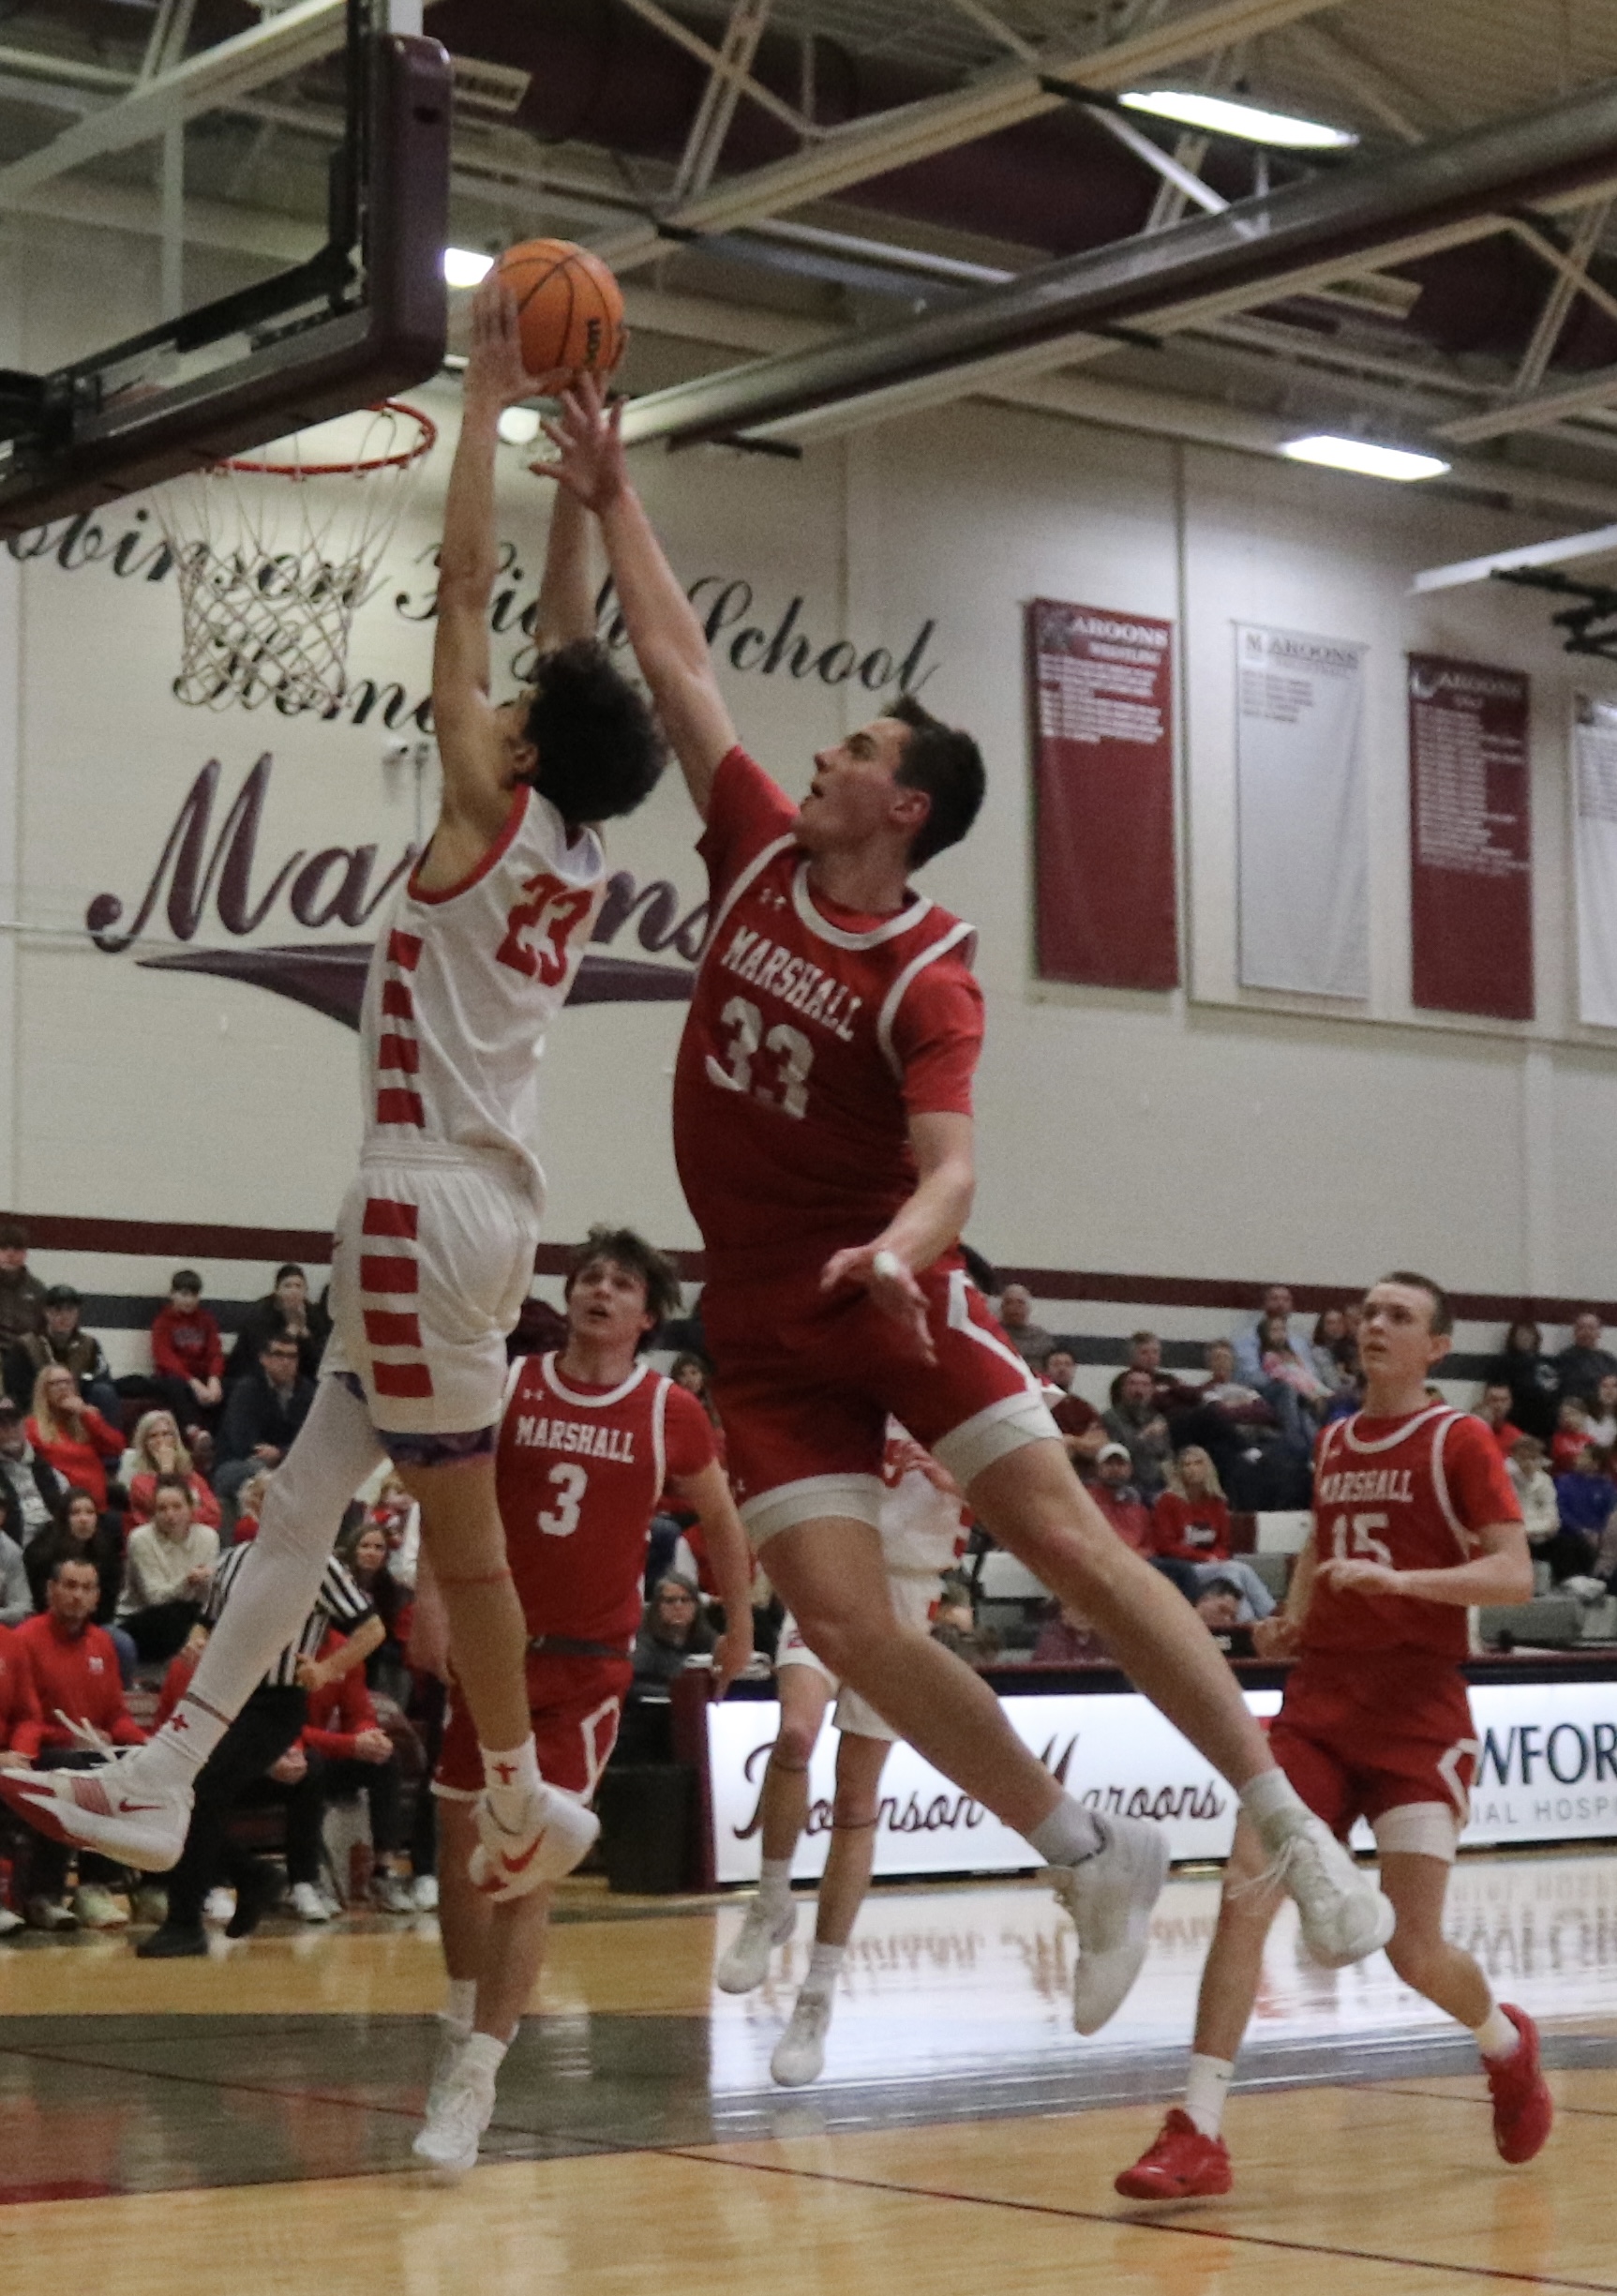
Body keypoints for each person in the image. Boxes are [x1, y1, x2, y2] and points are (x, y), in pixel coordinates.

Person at [540, 372, 1391, 2035]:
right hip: (768, 1323)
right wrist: (612, 482)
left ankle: (1285, 1821)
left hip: (886, 1295)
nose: (823, 751)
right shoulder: (758, 849)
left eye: (854, 747)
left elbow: (953, 1169)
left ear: (903, 804)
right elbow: (678, 664)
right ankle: (1088, 1848)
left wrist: (906, 1252)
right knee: (850, 1625)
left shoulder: (930, 971)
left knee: (1071, 1540)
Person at [0, 280, 667, 1908]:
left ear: (518, 753)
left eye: (511, 710)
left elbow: (458, 592)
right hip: (475, 1199)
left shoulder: (478, 810)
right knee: (302, 1492)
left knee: (458, 1532)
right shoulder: (573, 837)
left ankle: (520, 1790)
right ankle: (170, 1774)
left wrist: (486, 403)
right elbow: (564, 651)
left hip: (419, 1197)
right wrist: (584, 501)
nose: (498, 697)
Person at [1116, 1272, 1550, 2202]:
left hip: (1416, 1718)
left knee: (1412, 1949)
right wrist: (1297, 1615)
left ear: (1438, 1346)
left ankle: (1507, 2045)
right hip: (1317, 1711)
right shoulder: (1334, 1437)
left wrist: (1407, 1588)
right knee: (1245, 1895)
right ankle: (1197, 2127)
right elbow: (1322, 1541)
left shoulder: (1458, 1438)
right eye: (1370, 1313)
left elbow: (1513, 1574)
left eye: (1401, 1316)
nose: (1376, 1325)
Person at [414, 1223, 752, 2180]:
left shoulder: (670, 1409)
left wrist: (737, 1626)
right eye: (589, 1277)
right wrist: (432, 1601)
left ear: (648, 1315)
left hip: (587, 1666)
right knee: (458, 1847)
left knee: (523, 1862)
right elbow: (448, 1497)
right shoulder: (511, 1380)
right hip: (492, 1648)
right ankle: (458, 2017)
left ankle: (477, 2072)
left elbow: (722, 1520)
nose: (599, 1290)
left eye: (620, 1283)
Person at [715, 1427, 969, 2086]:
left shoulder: (976, 1392)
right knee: (795, 1733)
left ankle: (816, 1995)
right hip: (831, 1576)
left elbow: (1024, 1503)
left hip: (909, 1597)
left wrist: (955, 1480)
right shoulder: (857, 1377)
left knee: (856, 1796)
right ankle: (770, 1900)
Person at [136, 1546, 382, 1958]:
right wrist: (196, 1643)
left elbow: (371, 1630)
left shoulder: (319, 1563)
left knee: (201, 1789)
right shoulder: (232, 1560)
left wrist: (326, 1669)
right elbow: (206, 1620)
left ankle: (189, 1918)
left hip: (276, 1701)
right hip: (223, 1692)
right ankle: (249, 1877)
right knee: (186, 1790)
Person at [13, 1556, 145, 1929]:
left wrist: (143, 1745)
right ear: (50, 1591)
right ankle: (44, 1895)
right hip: (42, 1755)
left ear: (97, 1597)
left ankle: (103, 1887)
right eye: (69, 1586)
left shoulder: (103, 1643)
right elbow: (27, 1719)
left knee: (139, 1765)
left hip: (90, 1753)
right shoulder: (26, 1640)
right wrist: (69, 1738)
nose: (77, 1596)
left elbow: (116, 1714)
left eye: (86, 1589)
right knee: (72, 1773)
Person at [277, 1626, 414, 1918]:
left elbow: (360, 1713)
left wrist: (370, 1735)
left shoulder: (345, 1648)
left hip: (322, 1754)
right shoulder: (276, 1647)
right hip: (275, 1758)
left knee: (385, 1760)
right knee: (310, 1765)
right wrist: (349, 1744)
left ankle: (383, 1872)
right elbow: (284, 1729)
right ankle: (304, 1882)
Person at [1151, 1448, 1274, 1619]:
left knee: (1241, 1569)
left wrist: (1217, 1557)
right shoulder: (1168, 1501)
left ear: (1208, 1468)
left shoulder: (1217, 1502)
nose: (1192, 1469)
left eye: (1198, 1463)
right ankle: (1242, 1624)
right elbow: (1166, 1544)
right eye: (1186, 1465)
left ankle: (1270, 1616)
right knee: (1231, 1570)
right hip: (1183, 1568)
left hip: (1214, 1563)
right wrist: (1205, 1557)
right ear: (1180, 1471)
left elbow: (1224, 1543)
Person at [118, 1476, 219, 1663]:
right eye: (162, 1509)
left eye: (177, 1507)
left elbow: (208, 1596)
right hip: (143, 1616)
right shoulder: (140, 1538)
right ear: (153, 1513)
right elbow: (154, 1597)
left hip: (190, 1612)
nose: (170, 1515)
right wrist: (186, 1582)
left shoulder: (208, 1537)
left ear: (191, 1509)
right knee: (174, 1616)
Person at [214, 1333, 317, 1517]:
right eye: (279, 1355)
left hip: (287, 1463)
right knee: (263, 1476)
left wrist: (280, 1452)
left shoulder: (307, 1392)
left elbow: (313, 1438)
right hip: (237, 1464)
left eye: (292, 1356)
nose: (286, 1362)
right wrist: (279, 1455)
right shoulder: (247, 1390)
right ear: (264, 1359)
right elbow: (243, 1444)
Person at [23, 1486, 130, 1661]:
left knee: (123, 1645)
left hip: (93, 1623)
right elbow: (41, 1602)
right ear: (64, 1518)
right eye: (76, 1513)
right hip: (49, 1623)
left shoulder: (106, 1550)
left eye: (90, 1513)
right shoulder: (41, 1552)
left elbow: (108, 1605)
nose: (84, 1519)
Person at [5, 1284, 119, 1428]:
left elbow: (102, 1379)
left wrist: (80, 1406)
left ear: (77, 1313)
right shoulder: (25, 1346)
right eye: (57, 1310)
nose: (64, 1316)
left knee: (104, 1392)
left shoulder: (90, 1345)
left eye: (70, 1310)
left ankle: (109, 1446)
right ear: (46, 1312)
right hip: (40, 1410)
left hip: (79, 1408)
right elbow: (18, 1390)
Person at [24, 1365, 122, 1511]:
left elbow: (115, 1447)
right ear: (43, 1391)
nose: (63, 1387)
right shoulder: (32, 1427)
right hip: (63, 1508)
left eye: (68, 1382)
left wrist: (85, 1414)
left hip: (96, 1508)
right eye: (55, 1383)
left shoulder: (88, 1419)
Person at [226, 1264, 330, 1388]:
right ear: (277, 1291)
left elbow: (319, 1365)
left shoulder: (313, 1315)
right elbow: (262, 1360)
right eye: (287, 1286)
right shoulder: (260, 1314)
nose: (293, 1291)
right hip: (253, 1377)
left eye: (298, 1286)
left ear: (305, 1291)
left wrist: (304, 1333)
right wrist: (291, 1332)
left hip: (298, 1381)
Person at [146, 1271, 225, 1431]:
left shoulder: (206, 1319)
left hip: (202, 1376)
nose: (189, 1300)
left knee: (230, 1388)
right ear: (172, 1294)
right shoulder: (163, 1321)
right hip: (173, 1377)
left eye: (194, 1295)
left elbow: (215, 1352)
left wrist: (214, 1379)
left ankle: (221, 1436)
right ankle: (193, 1430)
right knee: (175, 1385)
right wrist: (193, 1382)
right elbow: (164, 1357)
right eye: (184, 1294)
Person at [122, 1411, 221, 1532]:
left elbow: (214, 1514)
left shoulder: (192, 1477)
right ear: (145, 1444)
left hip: (192, 1538)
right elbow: (165, 1514)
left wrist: (185, 1519)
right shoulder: (139, 1482)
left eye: (166, 1434)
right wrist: (166, 1470)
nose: (160, 1441)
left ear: (175, 1439)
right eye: (153, 1436)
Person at [631, 1574, 715, 1686]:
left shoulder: (706, 1637)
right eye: (670, 1601)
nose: (678, 1606)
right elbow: (634, 1685)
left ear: (696, 1606)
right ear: (657, 1607)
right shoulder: (642, 1641)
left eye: (685, 1600)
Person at [1102, 1368, 1172, 1499]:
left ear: (1151, 1390)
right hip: (1125, 1485)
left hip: (1157, 1486)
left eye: (1145, 1385)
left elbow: (1166, 1455)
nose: (1139, 1389)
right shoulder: (1110, 1418)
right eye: (1133, 1383)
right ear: (1123, 1389)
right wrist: (1144, 1435)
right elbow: (1118, 1454)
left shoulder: (1157, 1418)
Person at [1489, 1320, 1560, 1444]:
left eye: (1529, 1334)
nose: (1525, 1338)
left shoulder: (1547, 1363)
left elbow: (1555, 1391)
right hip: (1515, 1424)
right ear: (1513, 1338)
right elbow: (1495, 1395)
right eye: (1520, 1334)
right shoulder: (1503, 1363)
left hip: (1545, 1428)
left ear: (1536, 1337)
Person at [0, 1394, 59, 1544]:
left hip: (55, 1546)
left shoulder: (46, 1467)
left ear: (24, 1425)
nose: (9, 1429)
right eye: (2, 1424)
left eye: (14, 1423)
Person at [1550, 1444, 1615, 1580]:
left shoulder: (1607, 1488)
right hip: (1568, 1534)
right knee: (1569, 1544)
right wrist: (1581, 1530)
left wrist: (1599, 1533)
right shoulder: (1564, 1481)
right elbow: (1560, 1509)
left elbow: (1608, 1515)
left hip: (1597, 1536)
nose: (1577, 1459)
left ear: (1596, 1464)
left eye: (1583, 1456)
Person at [0, 1218, 45, 1360]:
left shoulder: (38, 1290)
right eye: (4, 1248)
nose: (10, 1254)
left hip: (25, 1357)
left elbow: (43, 1332)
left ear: (25, 1253)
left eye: (17, 1249)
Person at [1555, 1312, 1617, 1408]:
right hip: (1576, 1412)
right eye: (1582, 1328)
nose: (1586, 1332)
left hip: (1605, 1413)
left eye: (1591, 1328)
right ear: (1575, 1332)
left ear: (1599, 1332)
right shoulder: (1564, 1359)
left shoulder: (1609, 1360)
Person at [996, 1284, 1054, 1370]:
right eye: (1009, 1302)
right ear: (1002, 1307)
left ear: (1028, 1308)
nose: (1014, 1307)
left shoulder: (1041, 1337)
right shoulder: (992, 1334)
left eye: (1020, 1302)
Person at [1475, 1383, 1525, 1461]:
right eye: (1494, 1400)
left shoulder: (1516, 1437)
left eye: (1504, 1400)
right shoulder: (1472, 1432)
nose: (1499, 1405)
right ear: (1484, 1402)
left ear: (1510, 1404)